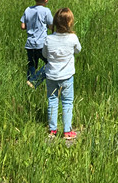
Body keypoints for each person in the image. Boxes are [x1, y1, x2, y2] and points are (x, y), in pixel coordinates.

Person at [42, 8, 81, 139]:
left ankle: (52, 130)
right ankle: (67, 130)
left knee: (52, 100)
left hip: (51, 75)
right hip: (67, 76)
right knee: (67, 102)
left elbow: (45, 54)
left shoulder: (48, 38)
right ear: (70, 23)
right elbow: (78, 50)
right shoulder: (73, 38)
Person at [21, 0, 53, 88]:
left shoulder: (28, 9)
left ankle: (29, 86)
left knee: (32, 66)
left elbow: (23, 26)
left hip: (30, 44)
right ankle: (35, 81)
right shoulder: (46, 11)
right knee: (51, 63)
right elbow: (51, 26)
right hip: (41, 43)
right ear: (46, 0)